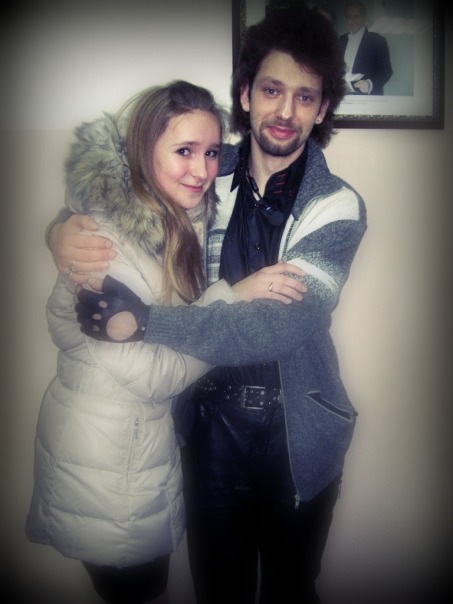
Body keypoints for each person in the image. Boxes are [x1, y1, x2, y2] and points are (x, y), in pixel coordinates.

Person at [49, 7, 367, 604]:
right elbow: (122, 193)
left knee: (292, 589)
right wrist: (61, 229)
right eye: (271, 90)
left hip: (298, 427)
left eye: (305, 97)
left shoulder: (337, 206)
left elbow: (279, 327)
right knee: (219, 590)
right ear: (245, 95)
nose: (286, 110)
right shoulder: (205, 177)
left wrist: (147, 323)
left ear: (322, 109)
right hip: (208, 423)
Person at [27, 80, 306, 604]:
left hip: (134, 449)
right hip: (108, 461)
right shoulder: (103, 246)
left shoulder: (177, 214)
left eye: (211, 152)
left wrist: (54, 228)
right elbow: (156, 376)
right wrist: (233, 297)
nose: (201, 170)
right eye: (183, 151)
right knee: (135, 590)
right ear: (142, 150)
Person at [339, 0, 393, 95]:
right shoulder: (341, 39)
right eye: (349, 17)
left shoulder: (378, 40)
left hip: (368, 96)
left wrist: (370, 84)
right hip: (343, 95)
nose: (353, 21)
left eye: (357, 16)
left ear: (364, 17)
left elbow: (386, 71)